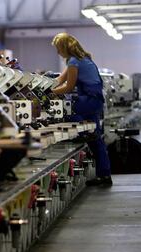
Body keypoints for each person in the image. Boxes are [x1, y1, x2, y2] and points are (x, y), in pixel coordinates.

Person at [51, 32, 112, 186]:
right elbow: (59, 80)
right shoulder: (82, 59)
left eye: (58, 49)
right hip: (95, 102)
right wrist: (45, 83)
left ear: (64, 47)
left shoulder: (73, 61)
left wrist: (49, 93)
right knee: (96, 140)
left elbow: (69, 86)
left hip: (89, 101)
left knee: (66, 112)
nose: (58, 52)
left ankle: (82, 133)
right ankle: (104, 175)